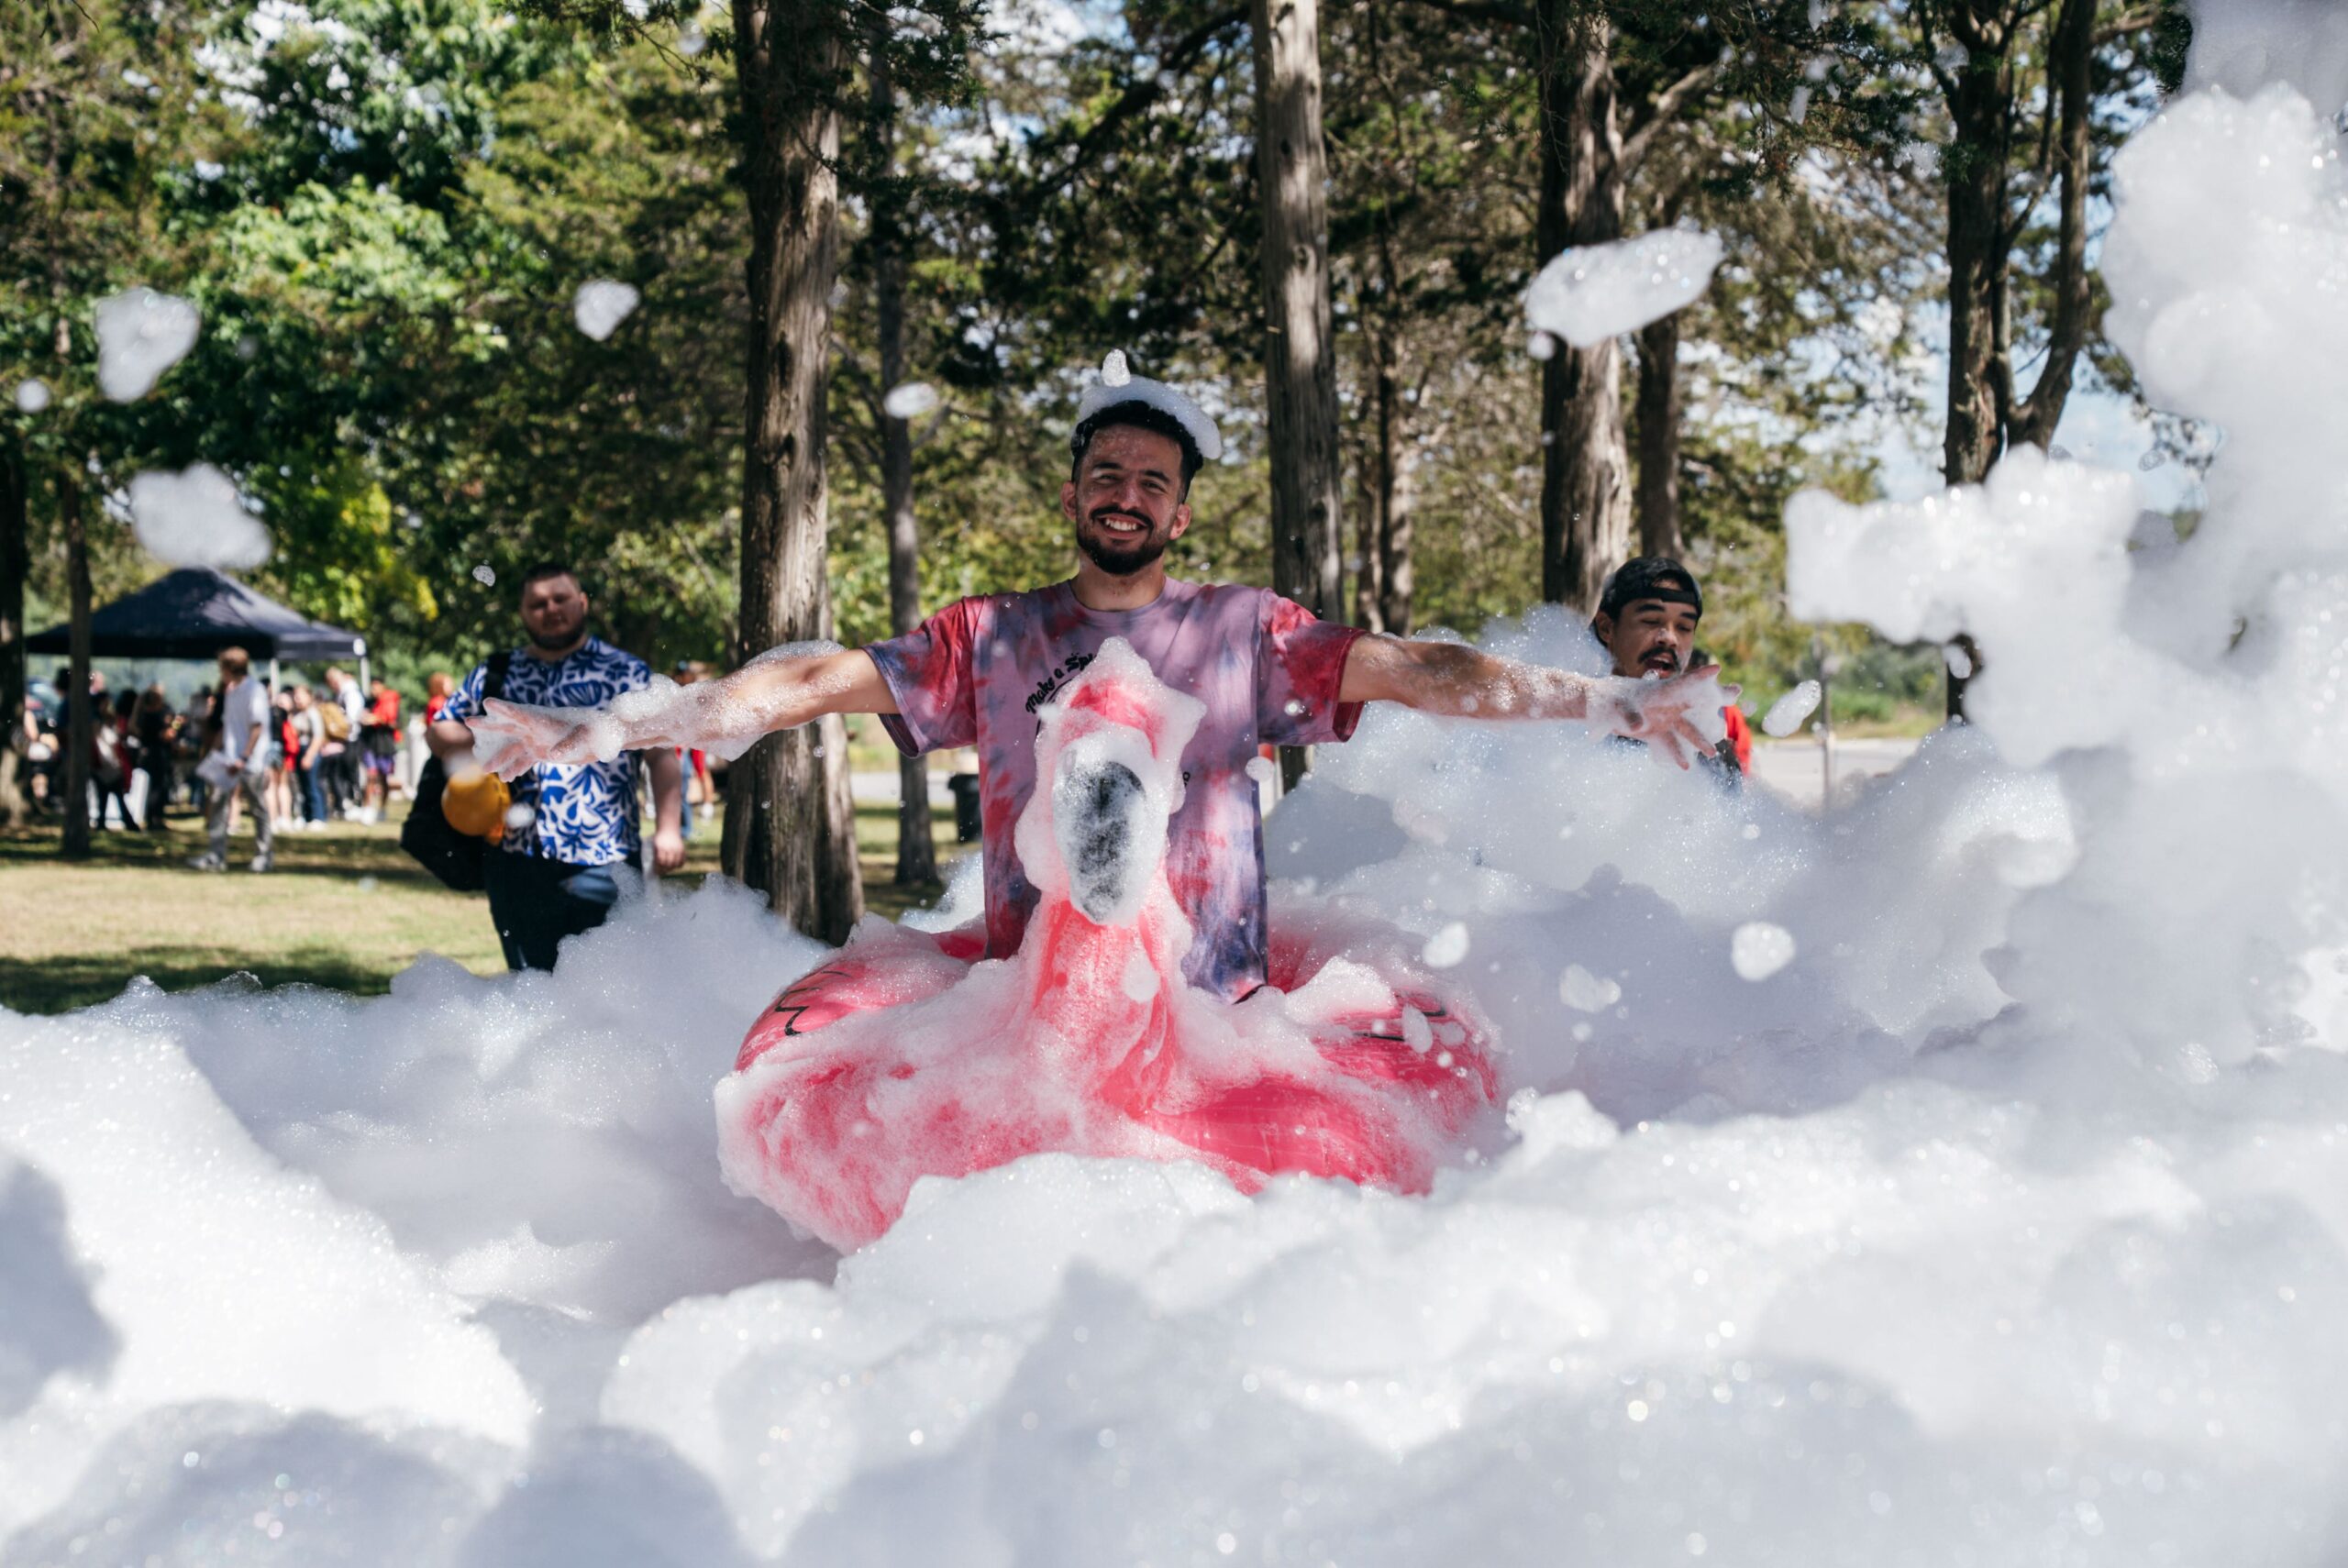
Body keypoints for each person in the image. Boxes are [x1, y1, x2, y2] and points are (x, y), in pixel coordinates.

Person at [471, 359, 1726, 1001]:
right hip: (1033, 1014)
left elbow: (1423, 671)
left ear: (1180, 514)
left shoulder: (1247, 630)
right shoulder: (991, 637)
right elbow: (792, 686)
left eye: (1153, 482)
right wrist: (594, 728)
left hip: (1211, 1013)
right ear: (1073, 497)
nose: (1127, 495)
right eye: (1106, 475)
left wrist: (1605, 700)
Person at [426, 563, 687, 971]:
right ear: (523, 614)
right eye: (538, 604)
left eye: (560, 599)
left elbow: (662, 755)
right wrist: (494, 736)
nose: (551, 609)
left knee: (614, 990)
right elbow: (439, 732)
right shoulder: (497, 673)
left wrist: (669, 828)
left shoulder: (626, 672)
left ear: (582, 603)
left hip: (605, 861)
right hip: (516, 862)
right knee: (533, 991)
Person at [1589, 556, 1751, 780]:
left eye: (1684, 627)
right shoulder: (1563, 730)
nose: (1670, 639)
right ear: (1607, 627)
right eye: (1651, 621)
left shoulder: (1710, 753)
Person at [190, 646, 275, 873]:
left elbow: (257, 727)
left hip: (251, 760)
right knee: (217, 804)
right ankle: (216, 855)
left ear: (229, 668)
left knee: (258, 806)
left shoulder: (254, 690)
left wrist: (244, 756)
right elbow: (228, 727)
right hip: (228, 759)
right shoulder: (231, 691)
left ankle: (264, 855)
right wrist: (214, 752)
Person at [360, 675, 402, 819]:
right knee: (371, 775)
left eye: (376, 685)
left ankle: (382, 808)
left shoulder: (391, 702)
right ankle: (367, 807)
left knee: (383, 778)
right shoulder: (369, 702)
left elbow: (396, 724)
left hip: (385, 745)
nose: (374, 689)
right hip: (370, 744)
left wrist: (380, 719)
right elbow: (363, 718)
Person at [288, 683, 327, 828]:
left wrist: (309, 756)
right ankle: (306, 816)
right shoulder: (296, 714)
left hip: (309, 750)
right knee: (303, 786)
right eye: (295, 695)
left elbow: (318, 737)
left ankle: (318, 817)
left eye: (301, 695)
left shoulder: (313, 713)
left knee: (312, 785)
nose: (297, 698)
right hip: (298, 750)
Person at [134, 685, 174, 830]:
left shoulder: (143, 714)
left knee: (152, 786)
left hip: (149, 753)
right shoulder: (155, 716)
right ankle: (154, 817)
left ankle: (152, 817)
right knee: (158, 787)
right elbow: (165, 735)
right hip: (157, 754)